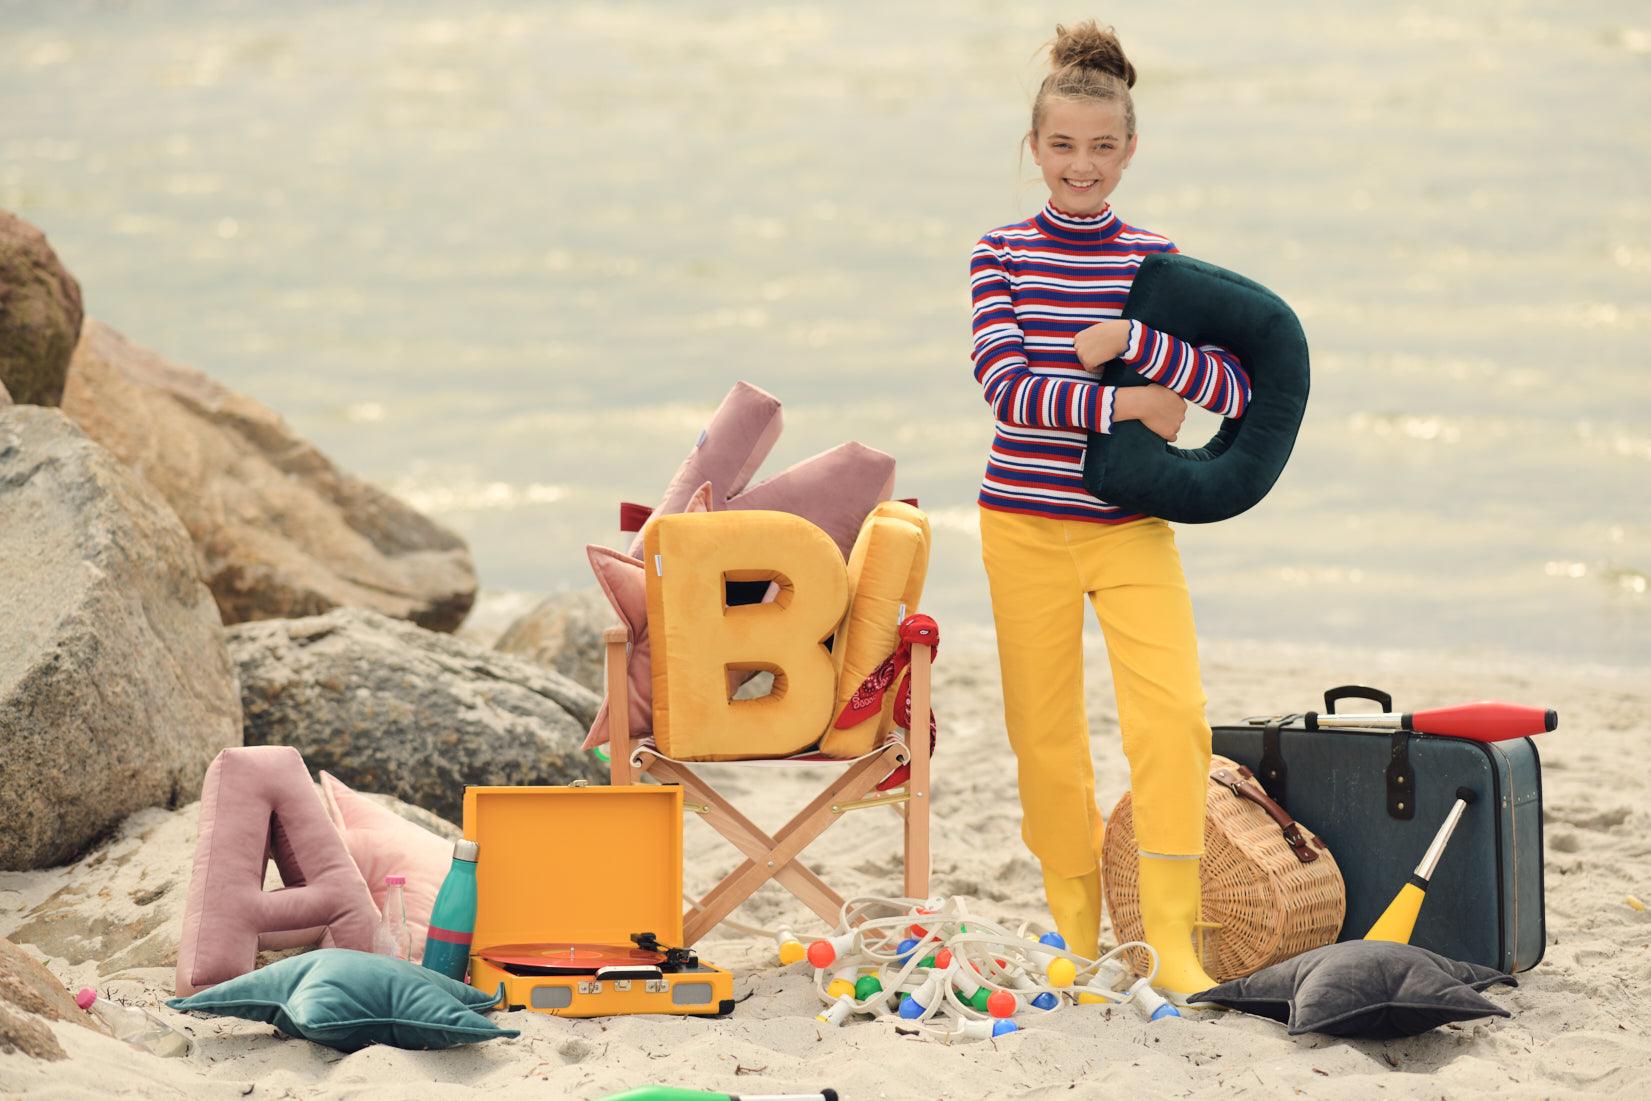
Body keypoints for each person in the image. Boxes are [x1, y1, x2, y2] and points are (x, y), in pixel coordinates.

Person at [971, 20, 1252, 996]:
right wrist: (1128, 398)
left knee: (1172, 719)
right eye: (1061, 146)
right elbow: (1007, 389)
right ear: (1033, 147)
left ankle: (1168, 941)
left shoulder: (1158, 263)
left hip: (1132, 526)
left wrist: (1140, 338)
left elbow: (1229, 386)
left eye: (1100, 148)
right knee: (1044, 736)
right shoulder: (998, 254)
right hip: (1022, 526)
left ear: (1128, 150)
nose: (1079, 166)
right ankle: (1078, 937)